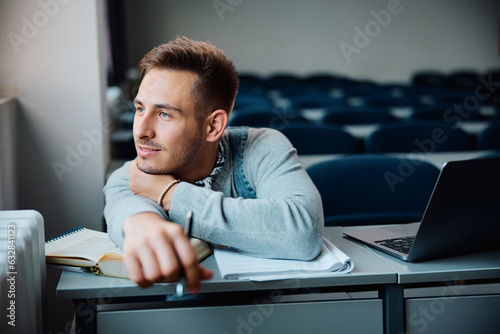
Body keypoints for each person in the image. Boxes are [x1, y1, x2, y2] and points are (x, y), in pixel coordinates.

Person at [103, 36, 324, 294]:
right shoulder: (132, 177)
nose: (141, 131)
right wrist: (140, 224)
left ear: (213, 126)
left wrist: (170, 195)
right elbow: (133, 217)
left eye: (164, 114)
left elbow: (303, 233)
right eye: (140, 109)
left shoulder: (261, 147)